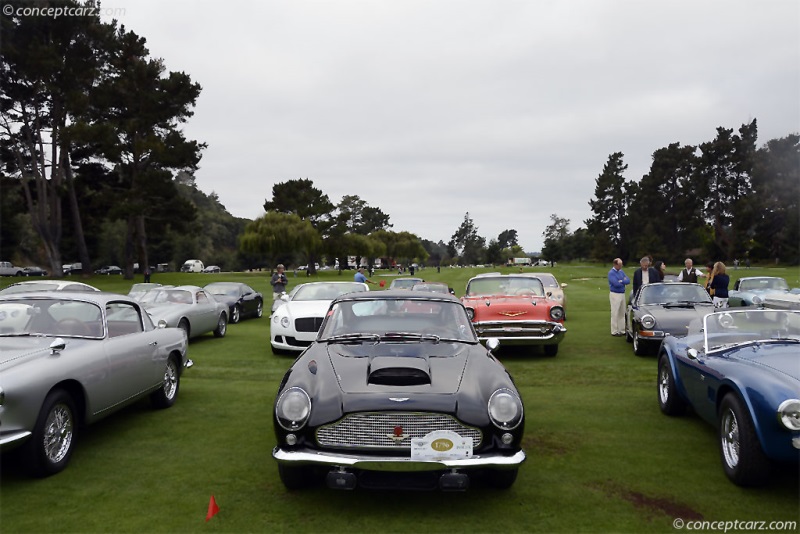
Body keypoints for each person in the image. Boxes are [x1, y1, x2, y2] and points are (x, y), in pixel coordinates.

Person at [608, 258, 630, 336]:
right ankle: (614, 331)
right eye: (619, 265)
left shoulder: (621, 272)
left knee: (622, 312)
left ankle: (622, 330)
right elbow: (615, 284)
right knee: (615, 312)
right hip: (615, 294)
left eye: (621, 265)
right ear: (615, 264)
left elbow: (628, 280)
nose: (621, 266)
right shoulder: (611, 273)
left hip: (622, 293)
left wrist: (621, 281)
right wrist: (622, 281)